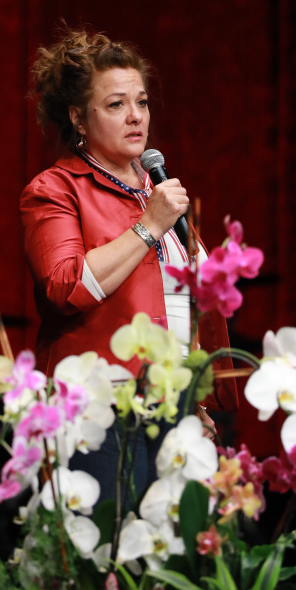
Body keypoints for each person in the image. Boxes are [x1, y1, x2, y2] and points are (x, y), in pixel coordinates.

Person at [20, 27, 236, 500]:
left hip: (171, 407)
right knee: (111, 546)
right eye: (116, 104)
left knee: (173, 545)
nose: (136, 116)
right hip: (101, 413)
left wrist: (191, 398)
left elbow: (182, 305)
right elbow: (64, 287)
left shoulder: (155, 190)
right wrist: (148, 226)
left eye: (142, 102)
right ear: (79, 117)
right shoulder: (55, 190)